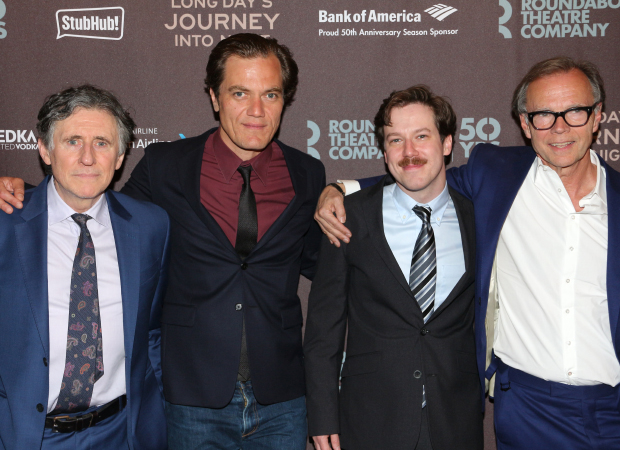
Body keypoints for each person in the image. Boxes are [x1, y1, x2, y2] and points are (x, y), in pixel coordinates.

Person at [0, 33, 325, 449]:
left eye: (271, 94)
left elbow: (326, 264)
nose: (256, 111)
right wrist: (24, 195)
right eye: (240, 92)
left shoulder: (308, 173)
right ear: (214, 96)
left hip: (282, 396)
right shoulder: (165, 166)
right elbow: (92, 205)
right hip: (190, 397)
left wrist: (346, 188)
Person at [314, 57, 620, 450]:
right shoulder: (497, 176)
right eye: (543, 114)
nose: (559, 127)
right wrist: (339, 188)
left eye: (575, 112)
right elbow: (416, 177)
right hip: (526, 409)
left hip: (610, 407)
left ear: (597, 117)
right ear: (525, 124)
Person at [304, 85, 482, 450]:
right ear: (384, 151)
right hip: (371, 420)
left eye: (421, 136)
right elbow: (324, 329)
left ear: (447, 144)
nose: (409, 153)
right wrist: (322, 415)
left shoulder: (479, 217)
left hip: (456, 420)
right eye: (395, 140)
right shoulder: (348, 217)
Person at [0, 85, 170, 450]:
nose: (88, 158)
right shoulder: (5, 223)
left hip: (120, 433)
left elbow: (152, 330)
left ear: (121, 156)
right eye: (73, 141)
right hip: (25, 436)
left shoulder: (150, 226)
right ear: (45, 149)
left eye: (103, 143)